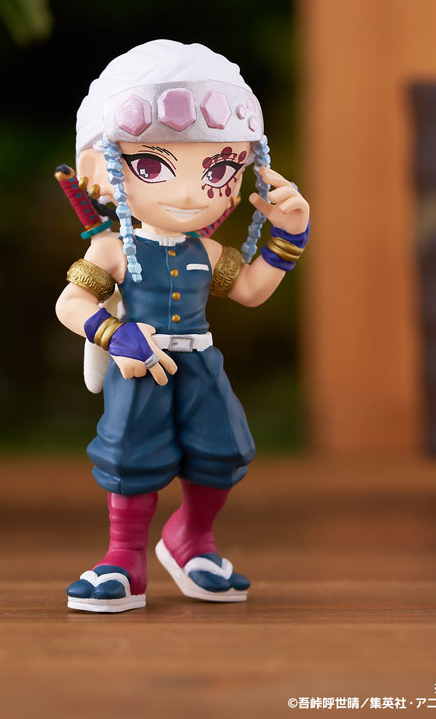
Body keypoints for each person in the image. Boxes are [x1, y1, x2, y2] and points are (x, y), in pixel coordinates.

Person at [55, 40, 310, 612]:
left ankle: (192, 539)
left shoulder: (207, 252)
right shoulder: (113, 251)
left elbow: (251, 290)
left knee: (224, 450)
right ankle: (123, 557)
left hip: (199, 363)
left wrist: (289, 236)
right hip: (139, 363)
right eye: (152, 166)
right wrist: (112, 333)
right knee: (130, 457)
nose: (192, 190)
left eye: (219, 168)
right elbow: (71, 302)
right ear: (99, 172)